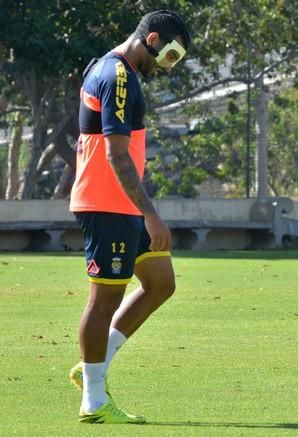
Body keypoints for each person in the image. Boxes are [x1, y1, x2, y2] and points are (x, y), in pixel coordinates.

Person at [68, 10, 191, 423]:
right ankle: (94, 399)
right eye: (169, 54)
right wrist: (152, 215)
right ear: (152, 39)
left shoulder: (111, 70)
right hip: (108, 205)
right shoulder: (117, 75)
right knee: (104, 300)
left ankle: (93, 364)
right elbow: (116, 156)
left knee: (160, 283)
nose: (167, 65)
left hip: (121, 205)